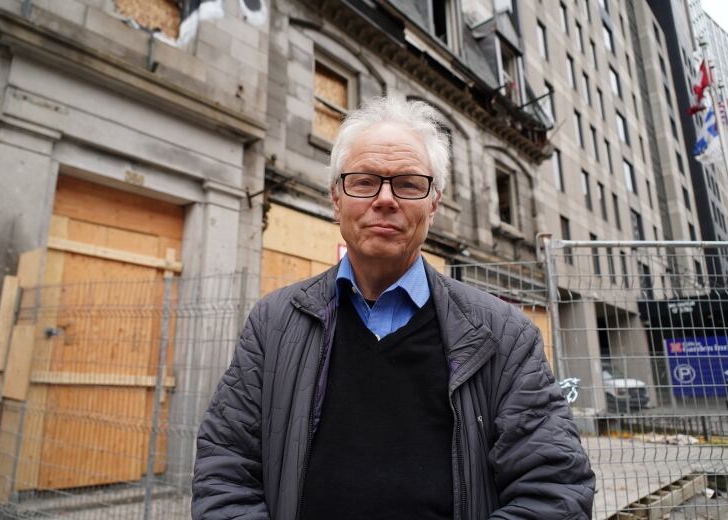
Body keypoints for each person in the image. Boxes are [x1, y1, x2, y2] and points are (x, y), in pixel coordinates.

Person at [192, 97, 594, 519]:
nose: (384, 199)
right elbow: (225, 472)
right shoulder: (273, 325)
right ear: (336, 199)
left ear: (433, 203)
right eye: (364, 181)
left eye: (407, 184)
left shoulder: (504, 335)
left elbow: (554, 490)